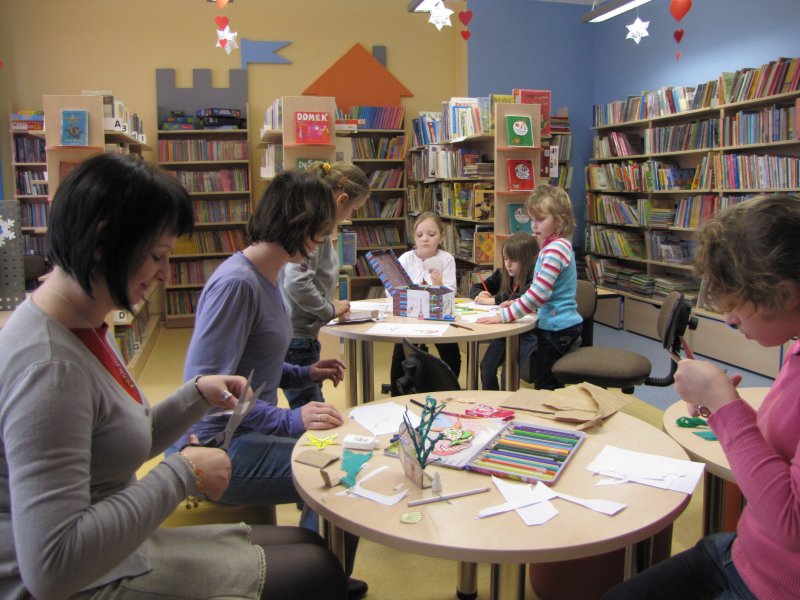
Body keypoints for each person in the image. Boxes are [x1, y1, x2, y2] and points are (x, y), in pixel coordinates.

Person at [0, 153, 347, 600]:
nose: (166, 273)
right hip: (88, 579)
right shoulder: (51, 369)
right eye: (157, 256)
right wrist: (181, 474)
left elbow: (123, 438)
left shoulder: (81, 325)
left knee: (311, 548)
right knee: (318, 571)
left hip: (114, 549)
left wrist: (195, 395)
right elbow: (53, 568)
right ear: (104, 242)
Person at [171, 168, 366, 599]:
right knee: (342, 474)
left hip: (243, 430)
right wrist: (289, 420)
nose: (324, 238)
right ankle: (317, 580)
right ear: (301, 224)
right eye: (322, 228)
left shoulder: (267, 275)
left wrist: (302, 373)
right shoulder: (237, 284)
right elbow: (207, 389)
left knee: (344, 452)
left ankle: (323, 574)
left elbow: (254, 366)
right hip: (216, 444)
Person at [604, 193, 800, 600]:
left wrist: (726, 406)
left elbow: (792, 524)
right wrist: (724, 406)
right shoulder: (796, 349)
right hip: (745, 554)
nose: (729, 318)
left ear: (784, 296)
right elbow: (782, 448)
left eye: (738, 302)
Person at [279, 161, 370, 409]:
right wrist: (327, 309)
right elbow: (296, 281)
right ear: (341, 200)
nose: (350, 216)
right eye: (353, 209)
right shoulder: (315, 231)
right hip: (297, 336)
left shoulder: (311, 224)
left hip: (297, 332)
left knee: (310, 405)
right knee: (313, 412)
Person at [477, 184, 582, 390]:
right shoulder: (553, 247)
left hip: (558, 328)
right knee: (545, 383)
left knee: (545, 386)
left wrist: (504, 316)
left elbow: (539, 294)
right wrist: (518, 302)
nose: (533, 225)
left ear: (560, 220)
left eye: (540, 219)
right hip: (555, 324)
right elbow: (544, 291)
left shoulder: (555, 250)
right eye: (532, 219)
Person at [389, 211, 461, 396]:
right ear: (414, 236)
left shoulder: (446, 259)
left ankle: (448, 391)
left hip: (438, 317)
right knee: (401, 353)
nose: (425, 239)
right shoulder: (406, 259)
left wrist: (439, 285)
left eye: (431, 234)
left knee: (452, 355)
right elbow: (391, 292)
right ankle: (397, 395)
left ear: (441, 236)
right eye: (420, 235)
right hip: (410, 318)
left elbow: (451, 292)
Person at [469, 232, 539, 390]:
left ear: (529, 260)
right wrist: (479, 294)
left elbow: (525, 298)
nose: (508, 264)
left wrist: (495, 300)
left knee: (508, 375)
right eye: (505, 259)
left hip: (527, 333)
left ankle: (507, 403)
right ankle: (493, 402)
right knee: (486, 368)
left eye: (513, 260)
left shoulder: (535, 278)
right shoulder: (502, 274)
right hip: (505, 330)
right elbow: (476, 287)